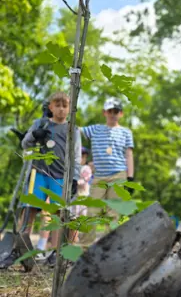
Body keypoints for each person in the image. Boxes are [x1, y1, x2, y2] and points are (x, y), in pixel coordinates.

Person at [20, 92, 81, 260]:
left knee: (57, 214)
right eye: (58, 105)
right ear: (51, 107)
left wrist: (74, 178)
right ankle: (22, 249)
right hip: (38, 173)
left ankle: (56, 251)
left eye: (65, 106)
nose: (61, 109)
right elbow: (24, 144)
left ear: (69, 109)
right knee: (29, 209)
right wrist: (34, 135)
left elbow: (76, 156)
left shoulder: (72, 129)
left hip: (60, 176)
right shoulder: (40, 124)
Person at [80, 98, 134, 238]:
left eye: (116, 111)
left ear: (121, 114)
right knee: (92, 211)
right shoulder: (95, 129)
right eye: (110, 111)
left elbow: (129, 155)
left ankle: (108, 247)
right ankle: (84, 247)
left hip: (118, 175)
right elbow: (76, 131)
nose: (113, 114)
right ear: (104, 112)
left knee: (113, 213)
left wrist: (130, 177)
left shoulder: (126, 132)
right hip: (99, 177)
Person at [68, 147, 93, 244]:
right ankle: (73, 239)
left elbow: (84, 180)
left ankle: (81, 239)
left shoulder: (86, 168)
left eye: (83, 157)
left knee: (81, 218)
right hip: (74, 197)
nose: (81, 159)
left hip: (82, 197)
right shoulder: (74, 168)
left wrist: (75, 182)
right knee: (73, 218)